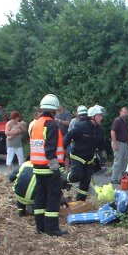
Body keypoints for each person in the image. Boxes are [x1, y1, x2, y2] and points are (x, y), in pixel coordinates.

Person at [30, 94, 67, 236]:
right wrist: (55, 169)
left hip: (38, 168)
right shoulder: (51, 124)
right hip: (49, 169)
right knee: (53, 197)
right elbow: (50, 150)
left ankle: (40, 227)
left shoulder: (37, 123)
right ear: (54, 110)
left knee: (40, 197)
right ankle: (52, 228)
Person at [63, 105, 106, 201]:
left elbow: (101, 144)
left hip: (89, 158)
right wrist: (63, 149)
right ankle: (63, 178)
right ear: (92, 117)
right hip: (77, 155)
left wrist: (102, 155)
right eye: (99, 115)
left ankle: (80, 201)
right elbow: (68, 136)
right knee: (76, 176)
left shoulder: (100, 130)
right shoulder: (80, 126)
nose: (101, 117)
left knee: (86, 181)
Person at [110, 106, 128, 184]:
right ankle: (114, 178)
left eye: (127, 112)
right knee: (118, 161)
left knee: (125, 160)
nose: (126, 114)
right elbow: (113, 131)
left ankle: (121, 178)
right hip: (118, 142)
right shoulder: (117, 120)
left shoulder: (126, 121)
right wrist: (115, 143)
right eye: (124, 112)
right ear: (120, 112)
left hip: (124, 143)